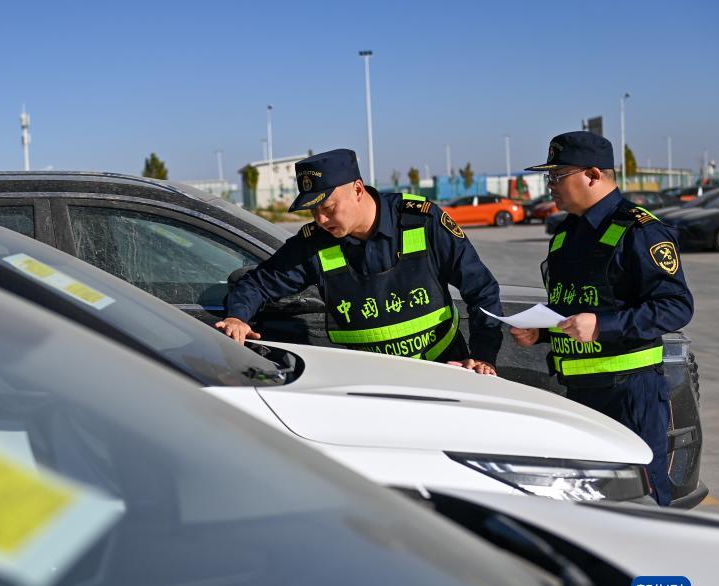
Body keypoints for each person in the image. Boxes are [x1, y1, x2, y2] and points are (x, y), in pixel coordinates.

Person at [512, 131, 694, 506]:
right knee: (591, 502)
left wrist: (602, 326)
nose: (550, 186)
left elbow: (676, 305)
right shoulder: (565, 234)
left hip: (630, 393)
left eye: (557, 176)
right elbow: (576, 303)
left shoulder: (640, 230)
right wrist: (542, 332)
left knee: (643, 501)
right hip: (579, 393)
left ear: (593, 175)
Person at [216, 148, 502, 374]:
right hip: (369, 381)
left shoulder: (421, 220)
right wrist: (237, 317)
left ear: (357, 189)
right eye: (312, 211)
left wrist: (483, 356)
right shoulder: (314, 243)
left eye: (327, 207)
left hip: (443, 370)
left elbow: (481, 289)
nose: (320, 219)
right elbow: (257, 284)